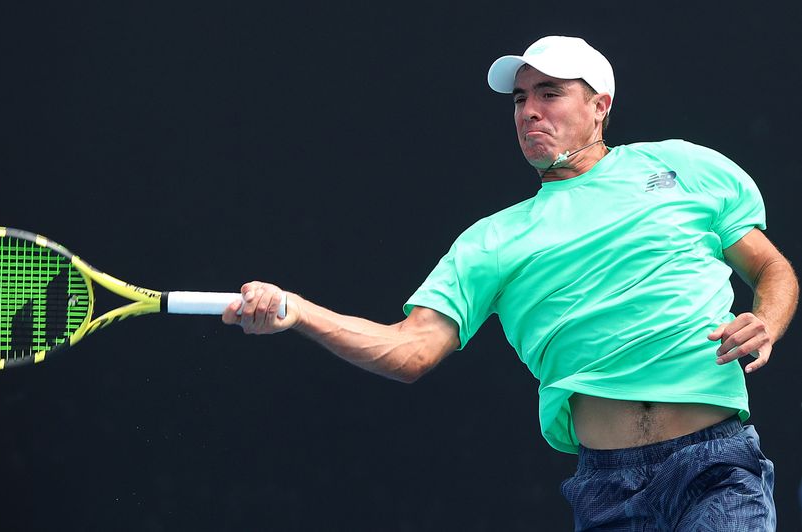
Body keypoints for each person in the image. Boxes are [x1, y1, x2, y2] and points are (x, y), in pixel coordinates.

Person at [222, 36, 799, 531]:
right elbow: (411, 349)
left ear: (600, 105)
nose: (529, 111)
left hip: (717, 466)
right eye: (521, 99)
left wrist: (766, 321)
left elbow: (771, 269)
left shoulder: (684, 167)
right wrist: (299, 312)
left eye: (550, 93)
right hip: (608, 489)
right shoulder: (492, 239)